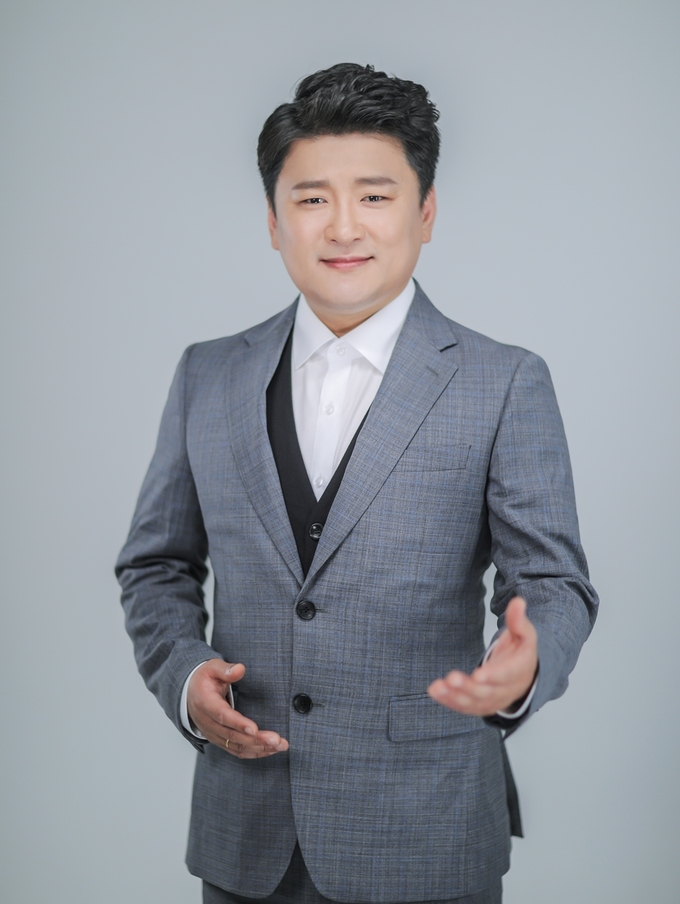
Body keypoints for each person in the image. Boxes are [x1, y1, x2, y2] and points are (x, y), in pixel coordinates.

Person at [116, 63, 598, 904]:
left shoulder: (503, 381)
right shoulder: (207, 375)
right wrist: (186, 678)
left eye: (375, 196)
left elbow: (553, 584)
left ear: (426, 211)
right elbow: (155, 565)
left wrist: (522, 666)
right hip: (244, 836)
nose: (343, 226)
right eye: (311, 199)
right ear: (274, 222)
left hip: (426, 831)